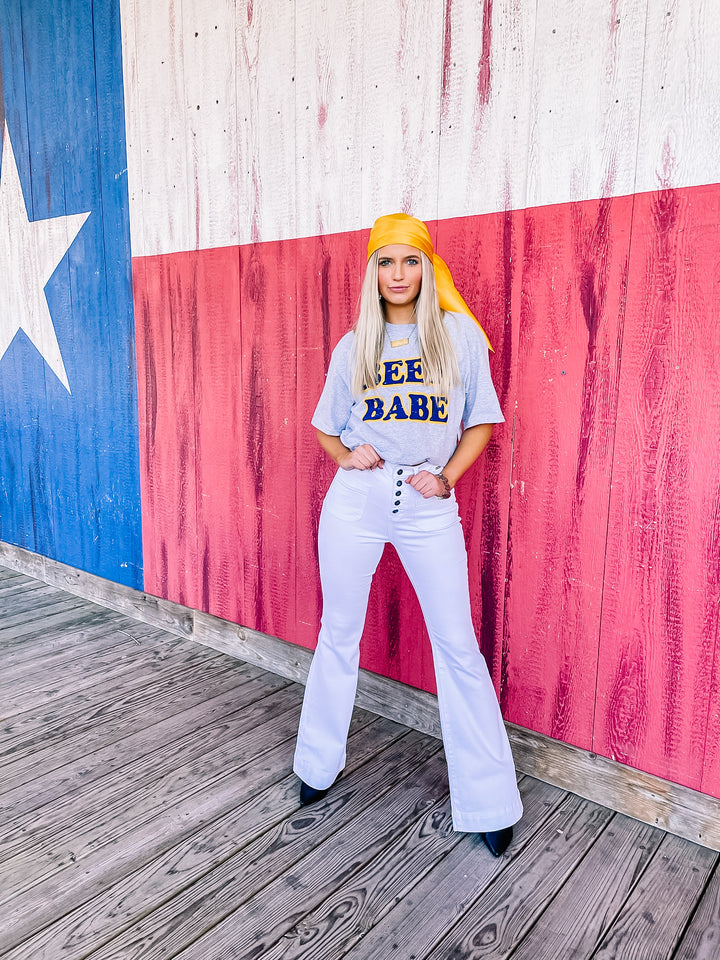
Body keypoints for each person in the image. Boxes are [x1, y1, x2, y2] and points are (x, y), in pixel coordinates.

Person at [293, 213, 522, 856]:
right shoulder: (354, 343)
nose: (398, 275)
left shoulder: (457, 337)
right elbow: (324, 427)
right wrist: (344, 458)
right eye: (385, 262)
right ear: (373, 270)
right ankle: (316, 765)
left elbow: (481, 422)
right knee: (339, 631)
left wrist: (447, 476)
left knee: (457, 645)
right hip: (358, 501)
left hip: (426, 506)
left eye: (410, 261)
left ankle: (489, 801)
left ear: (428, 266)